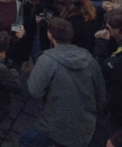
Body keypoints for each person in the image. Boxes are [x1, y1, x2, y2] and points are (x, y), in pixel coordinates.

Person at [20, 18, 106, 147]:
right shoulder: (88, 58)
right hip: (84, 130)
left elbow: (34, 91)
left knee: (25, 141)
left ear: (50, 34)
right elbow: (101, 95)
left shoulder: (47, 59)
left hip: (53, 128)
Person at [93, 8, 122, 134]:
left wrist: (101, 41)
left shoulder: (117, 63)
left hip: (117, 110)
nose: (107, 30)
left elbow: (101, 68)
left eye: (109, 28)